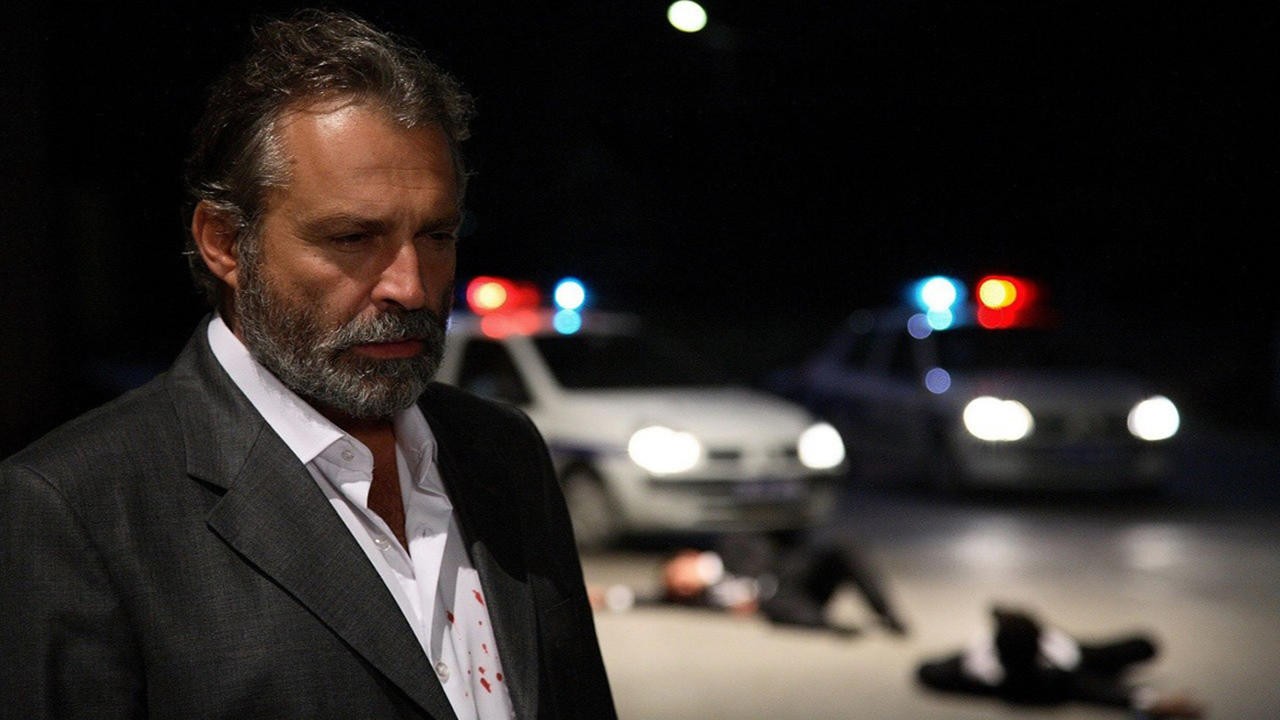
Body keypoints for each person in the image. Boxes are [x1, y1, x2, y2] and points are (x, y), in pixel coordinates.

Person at [0, 9, 615, 719]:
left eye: (437, 234)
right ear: (225, 243)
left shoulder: (504, 454)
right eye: (353, 238)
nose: (411, 286)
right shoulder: (76, 508)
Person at [595, 530, 909, 637]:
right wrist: (608, 597)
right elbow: (649, 600)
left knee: (845, 549)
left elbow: (766, 552)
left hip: (799, 577)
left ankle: (886, 613)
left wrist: (742, 585)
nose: (679, 584)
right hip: (782, 604)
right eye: (674, 585)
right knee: (775, 610)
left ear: (689, 556)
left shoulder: (730, 547)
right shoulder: (695, 598)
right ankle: (833, 627)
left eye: (677, 574)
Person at [915, 605, 1204, 719]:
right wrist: (1151, 702)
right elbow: (1096, 691)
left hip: (1062, 652)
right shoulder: (1055, 675)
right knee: (1139, 647)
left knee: (1141, 646)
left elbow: (927, 671)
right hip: (1076, 657)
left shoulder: (977, 663)